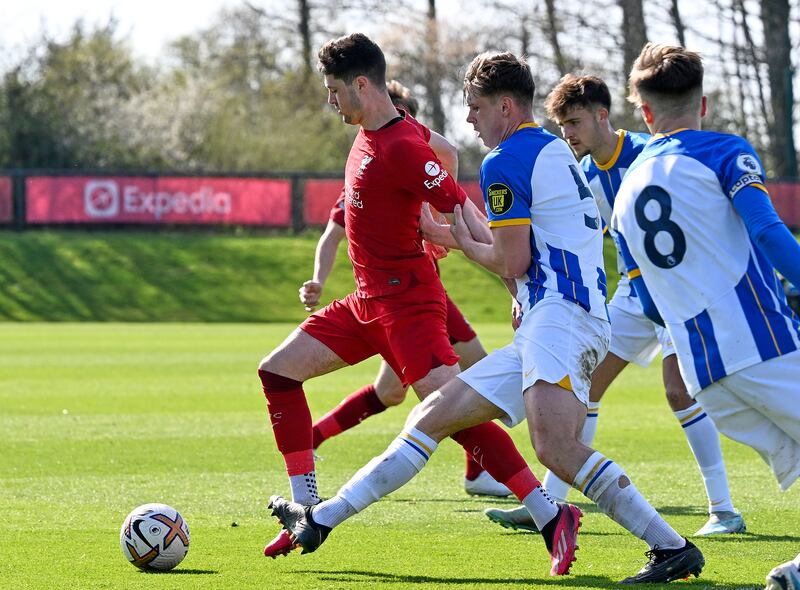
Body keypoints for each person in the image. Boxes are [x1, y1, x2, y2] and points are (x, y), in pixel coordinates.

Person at [268, 50, 704, 583]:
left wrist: (452, 240)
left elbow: (510, 259)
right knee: (430, 418)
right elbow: (526, 253)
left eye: (474, 107)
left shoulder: (506, 161)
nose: (469, 118)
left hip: (563, 320)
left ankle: (671, 546)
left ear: (504, 105)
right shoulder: (550, 146)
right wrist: (467, 247)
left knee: (557, 447)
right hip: (564, 316)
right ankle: (320, 519)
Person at [259, 33, 548, 562]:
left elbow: (460, 204)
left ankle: (549, 512)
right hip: (367, 302)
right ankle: (305, 503)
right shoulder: (379, 130)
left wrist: (513, 282)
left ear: (360, 85)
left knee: (454, 415)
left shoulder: (401, 145)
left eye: (333, 91)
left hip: (410, 305)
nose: (330, 102)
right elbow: (448, 149)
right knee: (276, 372)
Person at [484, 74, 743, 537]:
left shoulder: (650, 155)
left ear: (603, 116)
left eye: (576, 122)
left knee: (678, 391)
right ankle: (550, 502)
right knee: (585, 388)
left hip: (676, 287)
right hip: (630, 289)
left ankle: (723, 510)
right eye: (562, 125)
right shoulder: (582, 174)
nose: (569, 134)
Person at [299, 80, 507, 498]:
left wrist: (436, 217)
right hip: (400, 300)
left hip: (422, 293)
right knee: (463, 381)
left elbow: (447, 156)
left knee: (403, 390)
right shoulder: (368, 171)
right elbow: (331, 235)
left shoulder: (414, 157)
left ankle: (478, 473)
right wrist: (319, 279)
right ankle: (489, 475)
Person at [611, 44, 800, 493]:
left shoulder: (624, 195)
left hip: (706, 378)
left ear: (645, 114)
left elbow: (651, 306)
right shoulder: (723, 150)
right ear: (702, 105)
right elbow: (768, 232)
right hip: (762, 344)